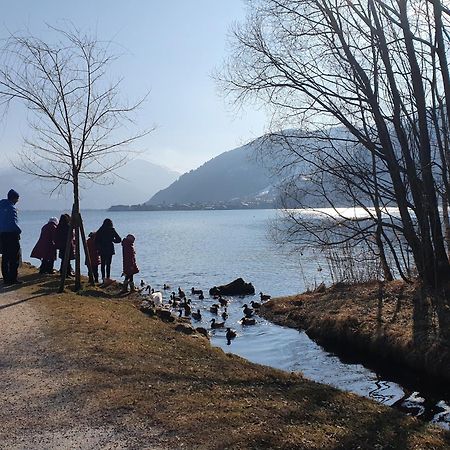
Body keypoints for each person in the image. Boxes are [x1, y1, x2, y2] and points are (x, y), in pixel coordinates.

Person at [0, 189, 22, 285]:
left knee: (5, 257)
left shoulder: (1, 206)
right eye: (17, 199)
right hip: (12, 235)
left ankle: (6, 278)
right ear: (14, 198)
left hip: (2, 234)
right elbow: (13, 223)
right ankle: (13, 278)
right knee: (14, 257)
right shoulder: (12, 208)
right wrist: (19, 231)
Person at [95, 218, 121, 283]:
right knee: (108, 264)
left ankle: (103, 278)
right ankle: (108, 277)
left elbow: (96, 240)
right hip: (109, 248)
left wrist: (98, 247)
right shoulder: (112, 230)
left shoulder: (100, 230)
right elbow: (119, 239)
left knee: (103, 264)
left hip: (102, 248)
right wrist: (113, 240)